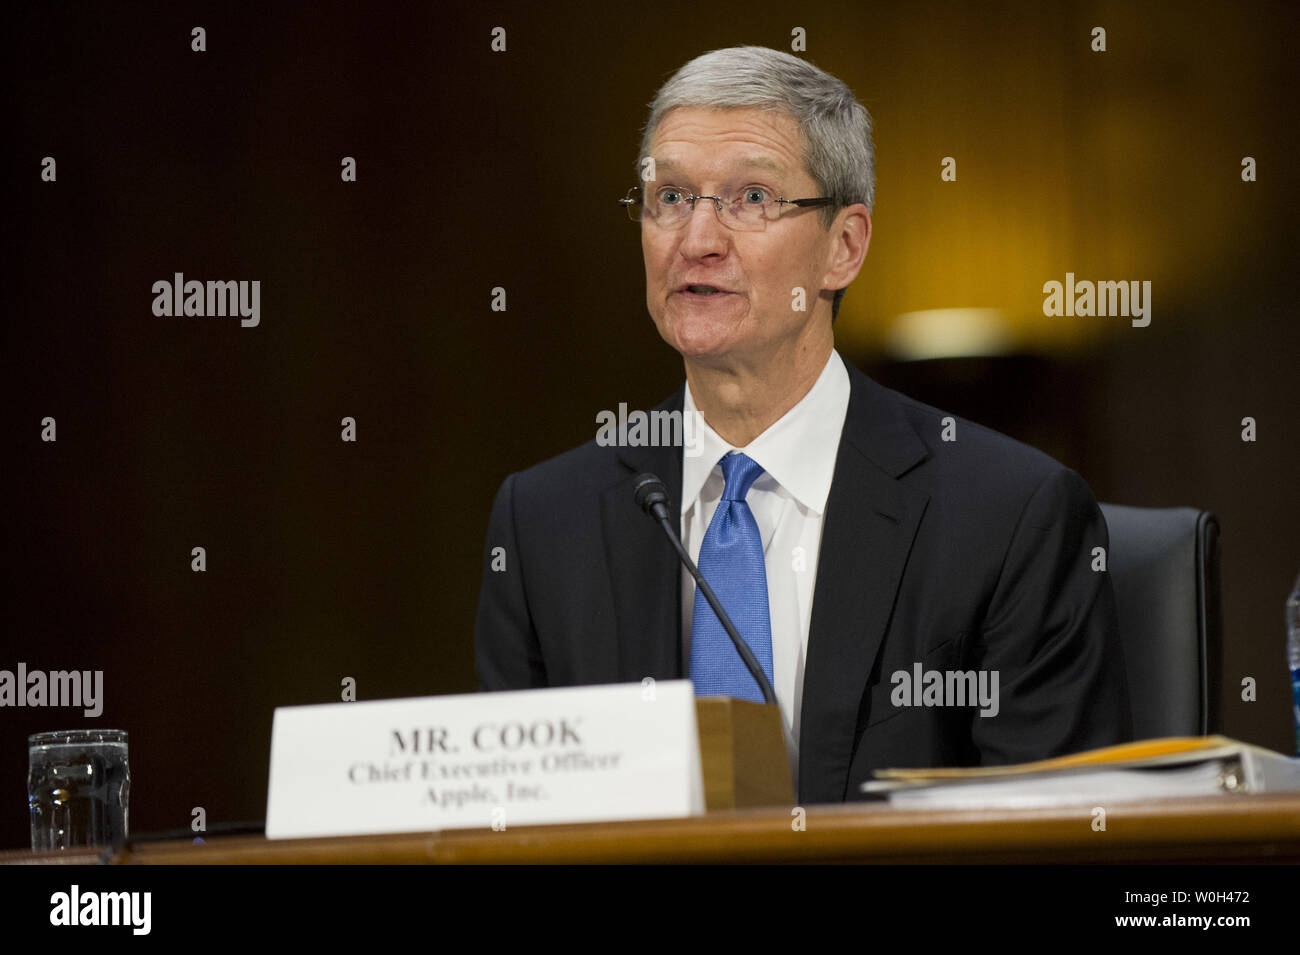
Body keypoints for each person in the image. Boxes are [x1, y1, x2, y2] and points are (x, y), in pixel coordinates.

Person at [474, 45, 1132, 804]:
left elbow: (1052, 840)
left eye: (752, 198)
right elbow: (513, 825)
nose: (698, 239)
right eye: (671, 198)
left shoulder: (1009, 516)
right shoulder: (544, 523)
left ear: (844, 247)